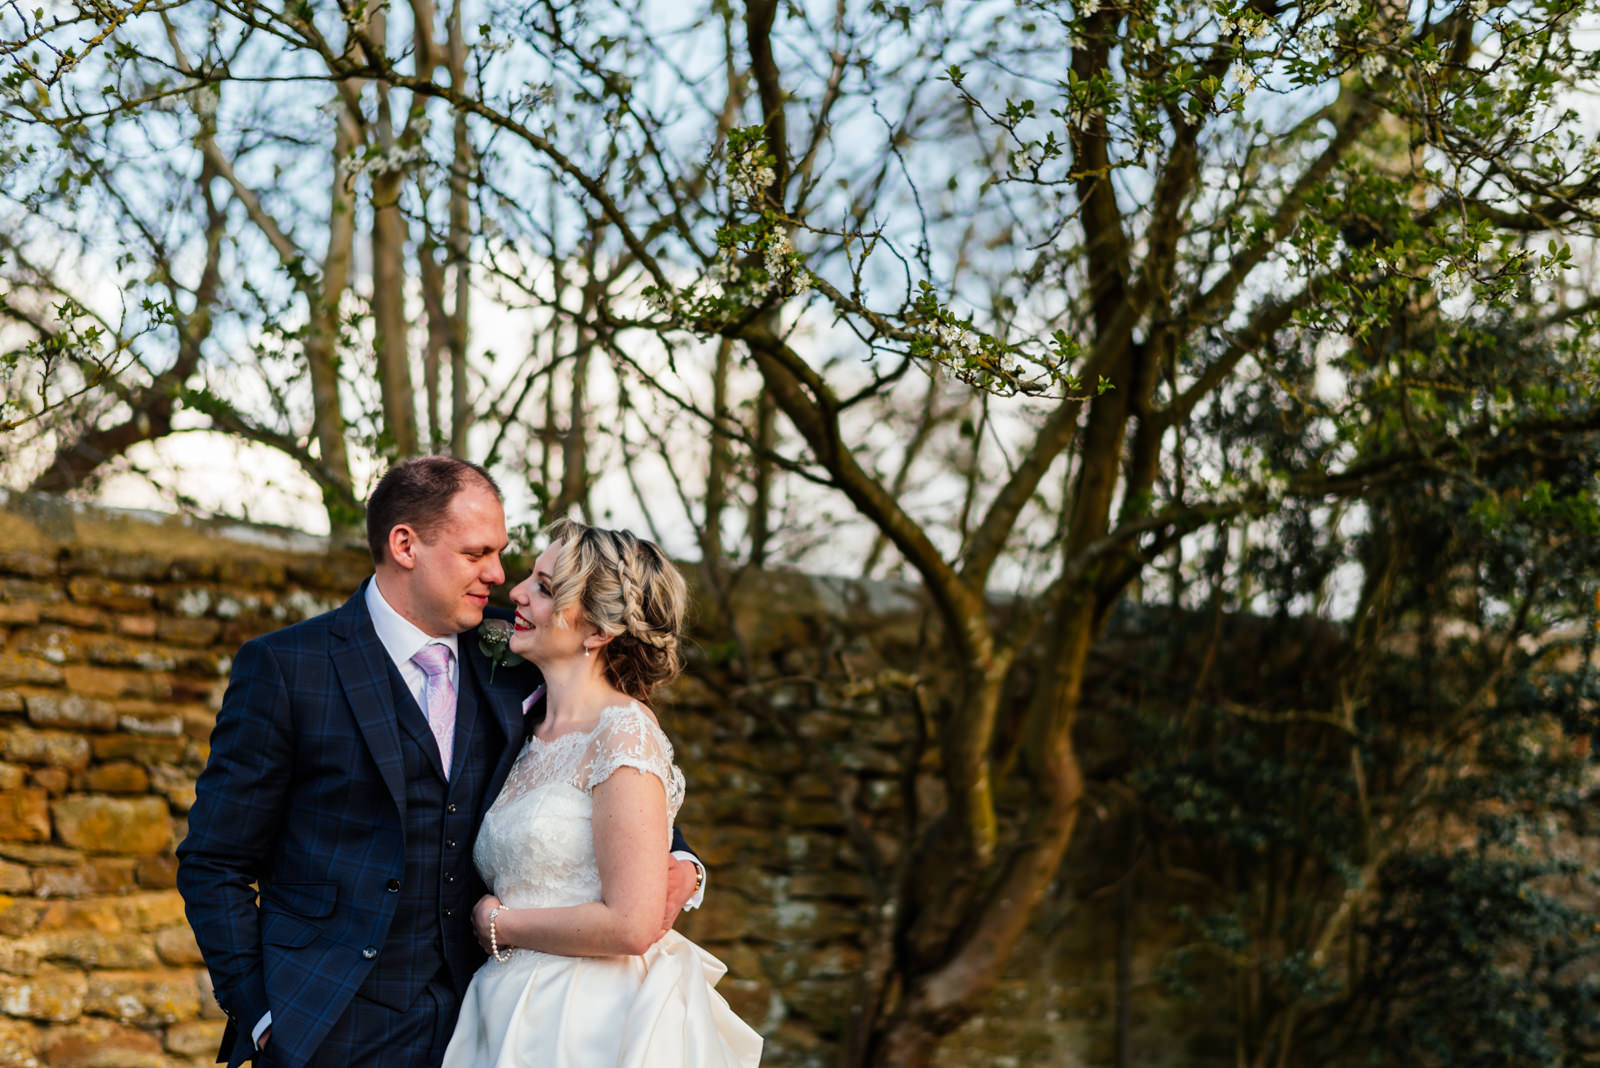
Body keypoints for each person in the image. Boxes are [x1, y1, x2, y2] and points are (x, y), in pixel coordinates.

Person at [177, 457, 704, 1068]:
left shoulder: (520, 643)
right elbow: (214, 860)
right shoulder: (289, 668)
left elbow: (616, 759)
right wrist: (264, 1016)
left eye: (502, 553)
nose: (500, 576)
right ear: (406, 545)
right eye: (477, 553)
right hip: (327, 1025)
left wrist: (682, 859)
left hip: (486, 1019)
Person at [441, 518, 762, 1068]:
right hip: (506, 1009)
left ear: (596, 631)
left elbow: (633, 924)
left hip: (589, 1018)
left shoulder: (625, 731)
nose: (514, 591)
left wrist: (500, 924)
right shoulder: (528, 728)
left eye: (544, 586)